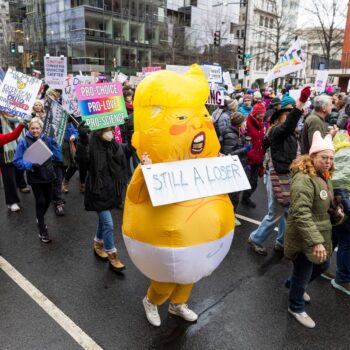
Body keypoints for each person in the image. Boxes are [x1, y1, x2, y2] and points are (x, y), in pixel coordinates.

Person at [248, 86, 311, 255]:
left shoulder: (290, 133)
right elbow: (289, 125)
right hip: (277, 177)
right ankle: (256, 238)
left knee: (287, 212)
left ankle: (281, 242)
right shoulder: (276, 131)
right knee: (275, 213)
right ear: (278, 119)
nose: (290, 116)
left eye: (291, 112)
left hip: (288, 176)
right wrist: (301, 102)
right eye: (287, 113)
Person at [284, 131, 335, 328]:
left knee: (321, 266)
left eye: (330, 158)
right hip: (304, 236)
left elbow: (321, 202)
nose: (328, 161)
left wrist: (335, 209)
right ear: (312, 157)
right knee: (304, 271)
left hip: (319, 231)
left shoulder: (323, 174)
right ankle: (295, 306)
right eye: (324, 157)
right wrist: (315, 241)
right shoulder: (304, 178)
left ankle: (293, 285)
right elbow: (300, 212)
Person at [76, 123, 128, 272]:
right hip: (96, 191)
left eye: (111, 129)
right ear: (99, 132)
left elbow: (125, 151)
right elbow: (82, 160)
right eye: (106, 130)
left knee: (103, 221)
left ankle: (97, 244)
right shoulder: (91, 145)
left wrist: (133, 134)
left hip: (109, 190)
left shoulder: (112, 145)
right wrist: (82, 139)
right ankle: (112, 255)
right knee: (109, 224)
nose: (110, 133)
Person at [13, 117, 61, 243]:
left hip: (49, 175)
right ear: (29, 129)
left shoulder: (47, 138)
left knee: (48, 200)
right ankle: (42, 231)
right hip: (35, 177)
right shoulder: (23, 141)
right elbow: (17, 161)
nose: (35, 131)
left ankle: (39, 219)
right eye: (32, 128)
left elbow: (55, 153)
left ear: (41, 129)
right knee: (40, 202)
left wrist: (56, 142)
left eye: (37, 128)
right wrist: (30, 165)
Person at [221, 112, 252, 226]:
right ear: (239, 123)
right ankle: (230, 217)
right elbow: (228, 154)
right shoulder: (231, 134)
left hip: (239, 166)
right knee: (233, 195)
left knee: (235, 194)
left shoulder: (238, 132)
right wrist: (245, 149)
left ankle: (230, 215)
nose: (246, 123)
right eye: (244, 121)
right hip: (233, 169)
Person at [241, 102, 266, 208]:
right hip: (248, 158)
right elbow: (242, 139)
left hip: (258, 158)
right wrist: (248, 152)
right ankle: (241, 200)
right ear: (255, 113)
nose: (262, 115)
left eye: (263, 113)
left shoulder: (261, 123)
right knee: (246, 181)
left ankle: (245, 198)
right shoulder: (246, 123)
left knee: (254, 182)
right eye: (261, 114)